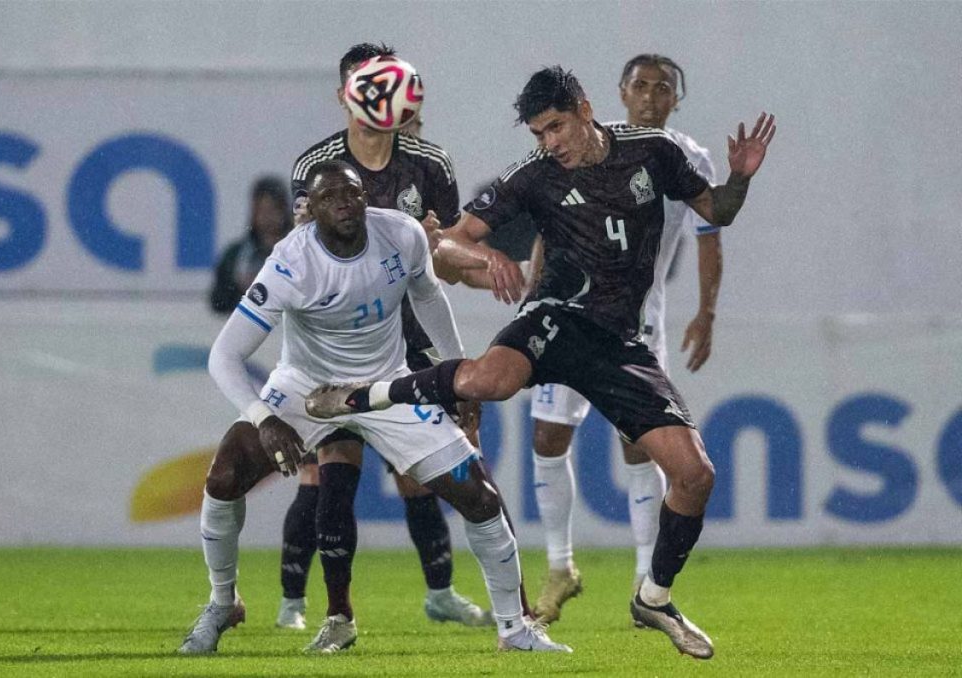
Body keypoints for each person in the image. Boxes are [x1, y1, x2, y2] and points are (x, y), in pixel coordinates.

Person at [306, 66, 776, 660]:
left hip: (619, 342)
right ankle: (363, 395)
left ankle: (652, 597)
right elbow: (446, 239)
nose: (549, 142)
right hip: (557, 316)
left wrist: (741, 175)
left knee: (695, 476)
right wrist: (483, 256)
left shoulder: (653, 152)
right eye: (538, 133)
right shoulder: (533, 177)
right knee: (485, 381)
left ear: (583, 108)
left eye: (555, 126)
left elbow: (720, 211)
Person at [178, 161, 570, 655]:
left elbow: (429, 299)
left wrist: (455, 378)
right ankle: (222, 603)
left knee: (481, 496)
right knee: (225, 475)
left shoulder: (401, 234)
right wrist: (266, 418)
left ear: (366, 197)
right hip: (306, 386)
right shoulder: (291, 261)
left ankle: (514, 630)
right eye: (329, 197)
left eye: (352, 193)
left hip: (388, 387)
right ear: (311, 211)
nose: (344, 203)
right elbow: (224, 355)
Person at [275, 42, 492, 633]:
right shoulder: (317, 165)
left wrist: (447, 247)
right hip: (339, 342)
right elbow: (307, 250)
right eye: (362, 84)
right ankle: (314, 606)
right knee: (330, 473)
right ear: (344, 93)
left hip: (411, 343)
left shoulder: (430, 163)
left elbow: (440, 263)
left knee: (432, 474)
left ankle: (449, 593)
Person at [529, 54, 724, 626]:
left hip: (639, 316)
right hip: (567, 310)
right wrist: (535, 295)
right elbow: (551, 224)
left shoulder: (689, 157)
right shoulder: (592, 146)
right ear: (620, 92)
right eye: (640, 85)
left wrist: (706, 312)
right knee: (547, 436)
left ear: (676, 100)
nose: (650, 95)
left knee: (639, 442)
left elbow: (710, 237)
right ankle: (560, 565)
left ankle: (645, 577)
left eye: (663, 88)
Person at [210, 176, 293, 314]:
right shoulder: (234, 255)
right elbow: (218, 302)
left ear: (284, 211)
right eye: (262, 211)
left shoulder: (299, 252)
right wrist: (240, 289)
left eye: (273, 210)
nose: (268, 217)